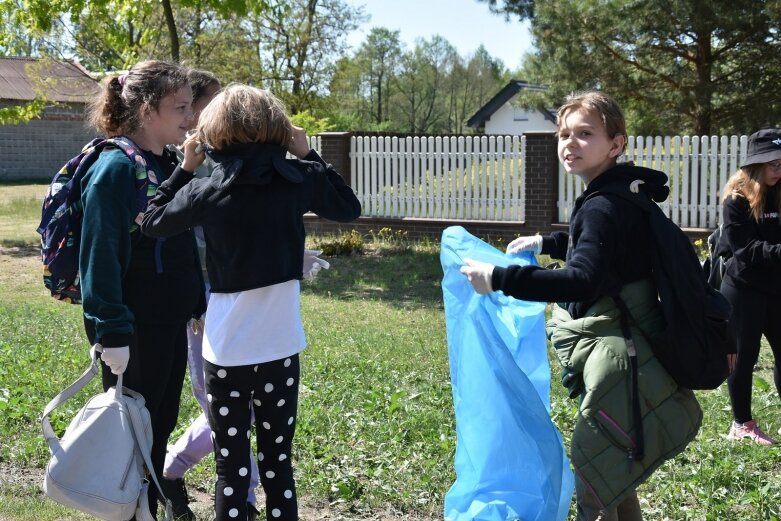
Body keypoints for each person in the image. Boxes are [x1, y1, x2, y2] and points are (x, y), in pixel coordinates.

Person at [459, 90, 702, 521]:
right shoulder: (622, 193)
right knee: (611, 469)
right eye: (564, 134)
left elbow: (585, 277)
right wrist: (550, 242)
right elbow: (611, 251)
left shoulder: (602, 204)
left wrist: (499, 278)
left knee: (595, 470)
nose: (570, 143)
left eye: (585, 134)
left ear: (616, 143)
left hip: (618, 353)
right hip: (633, 347)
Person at [141, 84, 361, 521]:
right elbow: (348, 207)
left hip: (227, 349)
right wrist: (308, 153)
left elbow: (151, 222)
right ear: (278, 127)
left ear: (215, 131)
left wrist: (184, 169)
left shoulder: (209, 189)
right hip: (280, 344)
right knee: (278, 461)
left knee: (232, 466)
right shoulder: (297, 180)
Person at [80, 59, 205, 516]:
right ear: (148, 109)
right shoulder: (115, 167)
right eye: (181, 107)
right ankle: (127, 510)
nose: (191, 118)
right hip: (133, 330)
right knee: (131, 436)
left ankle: (145, 507)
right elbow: (99, 255)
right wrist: (110, 331)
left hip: (169, 321)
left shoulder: (167, 162)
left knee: (158, 427)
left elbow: (178, 239)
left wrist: (194, 300)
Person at [157, 68, 264, 521]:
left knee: (240, 409)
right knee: (223, 406)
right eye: (209, 103)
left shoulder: (222, 161)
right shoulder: (192, 166)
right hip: (203, 305)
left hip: (236, 303)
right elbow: (163, 226)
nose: (221, 111)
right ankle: (243, 500)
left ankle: (172, 471)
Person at [720, 128, 781, 446]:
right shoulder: (737, 199)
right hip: (743, 290)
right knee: (744, 356)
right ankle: (742, 424)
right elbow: (745, 250)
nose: (777, 171)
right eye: (773, 164)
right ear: (755, 164)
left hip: (776, 288)